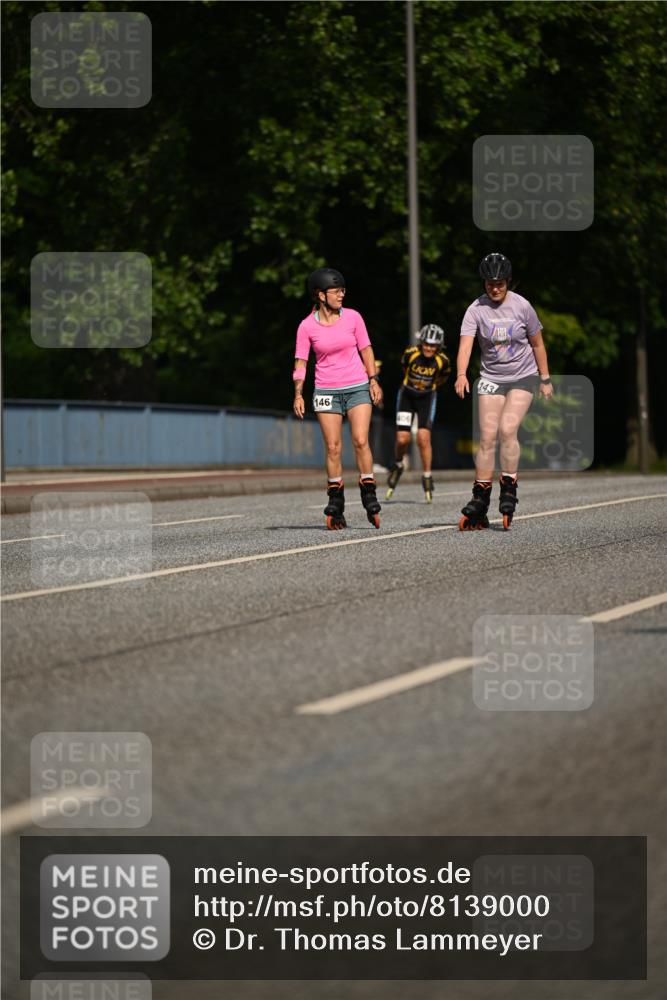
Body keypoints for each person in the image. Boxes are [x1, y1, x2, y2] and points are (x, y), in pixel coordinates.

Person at [455, 252, 554, 530]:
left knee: (507, 430)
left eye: (499, 283)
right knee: (486, 436)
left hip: (523, 376)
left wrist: (545, 379)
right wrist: (461, 374)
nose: (494, 288)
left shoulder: (522, 306)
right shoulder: (475, 309)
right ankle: (480, 499)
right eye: (489, 283)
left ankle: (509, 488)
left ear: (508, 281)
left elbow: (537, 344)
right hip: (491, 378)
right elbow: (466, 345)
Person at [293, 267, 384, 529]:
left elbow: (366, 349)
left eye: (343, 290)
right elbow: (301, 362)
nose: (342, 295)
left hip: (357, 386)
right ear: (320, 295)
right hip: (326, 390)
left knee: (360, 440)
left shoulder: (354, 318)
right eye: (336, 291)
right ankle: (336, 502)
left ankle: (369, 493)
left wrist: (373, 379)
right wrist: (298, 393)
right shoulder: (306, 326)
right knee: (333, 447)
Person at [386, 324, 451, 502]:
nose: (429, 348)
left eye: (433, 345)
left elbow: (443, 377)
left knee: (423, 438)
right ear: (421, 343)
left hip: (427, 398)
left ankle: (427, 475)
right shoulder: (410, 354)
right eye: (426, 344)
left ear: (439, 346)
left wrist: (427, 387)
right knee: (402, 439)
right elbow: (403, 368)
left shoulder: (443, 361)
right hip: (407, 395)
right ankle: (398, 464)